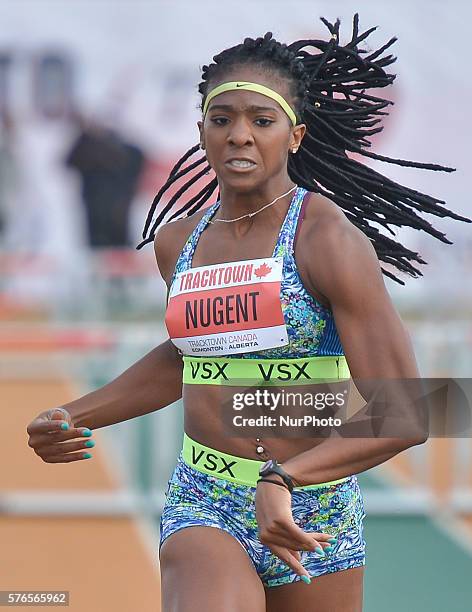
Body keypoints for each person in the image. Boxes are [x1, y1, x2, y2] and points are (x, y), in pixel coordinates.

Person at [27, 14, 470, 612]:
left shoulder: (325, 238)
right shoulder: (178, 243)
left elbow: (409, 409)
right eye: (222, 119)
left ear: (295, 135)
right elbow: (193, 356)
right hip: (205, 497)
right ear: (201, 130)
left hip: (313, 504)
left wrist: (283, 479)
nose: (239, 135)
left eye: (261, 121)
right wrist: (73, 413)